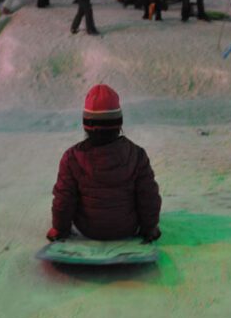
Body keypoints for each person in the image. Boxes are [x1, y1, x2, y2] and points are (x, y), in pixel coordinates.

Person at [47, 84, 162, 243]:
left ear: (86, 125)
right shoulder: (137, 155)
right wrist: (149, 228)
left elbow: (64, 200)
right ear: (119, 123)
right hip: (126, 228)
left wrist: (59, 229)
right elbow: (148, 197)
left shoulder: (71, 158)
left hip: (87, 230)